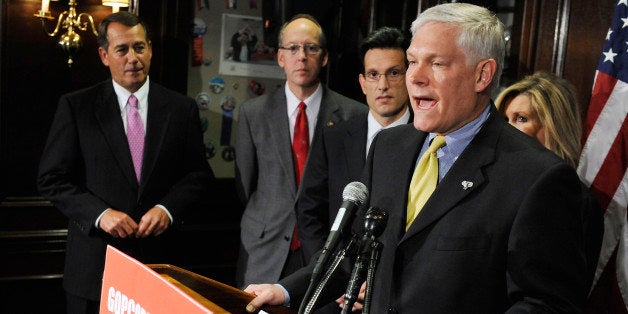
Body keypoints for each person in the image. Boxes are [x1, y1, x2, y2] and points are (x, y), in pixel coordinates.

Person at [244, 3, 591, 313]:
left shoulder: (536, 176)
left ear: (482, 75)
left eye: (436, 63)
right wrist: (285, 290)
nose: (416, 77)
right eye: (412, 62)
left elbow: (546, 303)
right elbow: (354, 252)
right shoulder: (389, 148)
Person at [37, 12, 214, 313]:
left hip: (160, 269)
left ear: (150, 50)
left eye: (140, 47)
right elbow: (51, 178)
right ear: (104, 55)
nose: (133, 57)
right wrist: (100, 213)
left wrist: (167, 209)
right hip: (93, 271)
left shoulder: (180, 109)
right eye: (122, 50)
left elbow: (198, 175)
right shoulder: (76, 106)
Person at [235, 14, 366, 289]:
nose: (302, 56)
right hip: (264, 249)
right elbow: (246, 185)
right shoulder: (253, 113)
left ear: (325, 57)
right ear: (280, 57)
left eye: (311, 48)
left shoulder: (354, 115)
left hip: (325, 249)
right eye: (293, 48)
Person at [297, 26, 411, 265]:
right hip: (335, 282)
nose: (382, 85)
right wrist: (327, 274)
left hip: (395, 286)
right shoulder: (334, 137)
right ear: (362, 82)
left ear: (409, 76)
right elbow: (310, 210)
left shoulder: (428, 138)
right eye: (373, 74)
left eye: (393, 73)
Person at [495, 71, 603, 290]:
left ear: (554, 128)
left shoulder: (575, 201)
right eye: (504, 120)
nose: (505, 129)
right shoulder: (491, 187)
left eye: (521, 119)